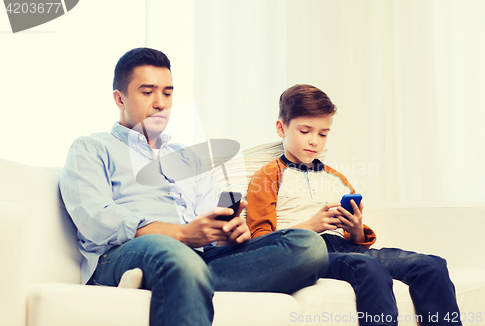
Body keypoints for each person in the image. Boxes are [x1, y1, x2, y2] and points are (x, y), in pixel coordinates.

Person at [59, 48, 328, 326]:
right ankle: (177, 273)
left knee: (308, 246)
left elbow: (207, 218)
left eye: (167, 92)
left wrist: (226, 232)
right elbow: (95, 218)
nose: (160, 103)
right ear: (119, 98)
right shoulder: (91, 148)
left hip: (197, 256)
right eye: (147, 91)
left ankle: (176, 281)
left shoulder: (187, 157)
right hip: (125, 253)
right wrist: (180, 235)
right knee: (174, 253)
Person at [246, 84, 462, 326]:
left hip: (349, 248)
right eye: (305, 131)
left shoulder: (337, 178)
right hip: (308, 253)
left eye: (323, 133)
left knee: (431, 265)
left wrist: (356, 227)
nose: (314, 141)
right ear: (281, 128)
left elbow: (356, 238)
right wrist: (311, 226)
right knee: (368, 266)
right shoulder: (267, 176)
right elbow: (261, 241)